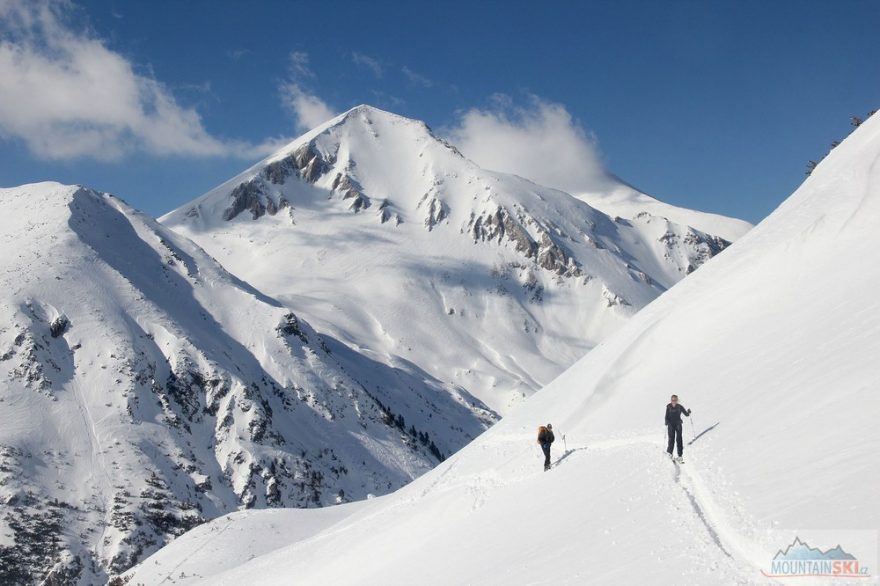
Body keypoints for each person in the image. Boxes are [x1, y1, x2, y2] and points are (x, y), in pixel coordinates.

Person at [665, 395, 691, 462]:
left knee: (679, 439)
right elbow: (666, 415)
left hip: (678, 424)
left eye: (675, 400)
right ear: (671, 400)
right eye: (672, 400)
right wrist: (666, 421)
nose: (673, 401)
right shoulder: (668, 407)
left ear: (677, 400)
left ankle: (680, 456)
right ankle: (670, 453)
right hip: (671, 424)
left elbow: (686, 414)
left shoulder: (680, 407)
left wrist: (688, 412)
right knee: (671, 439)